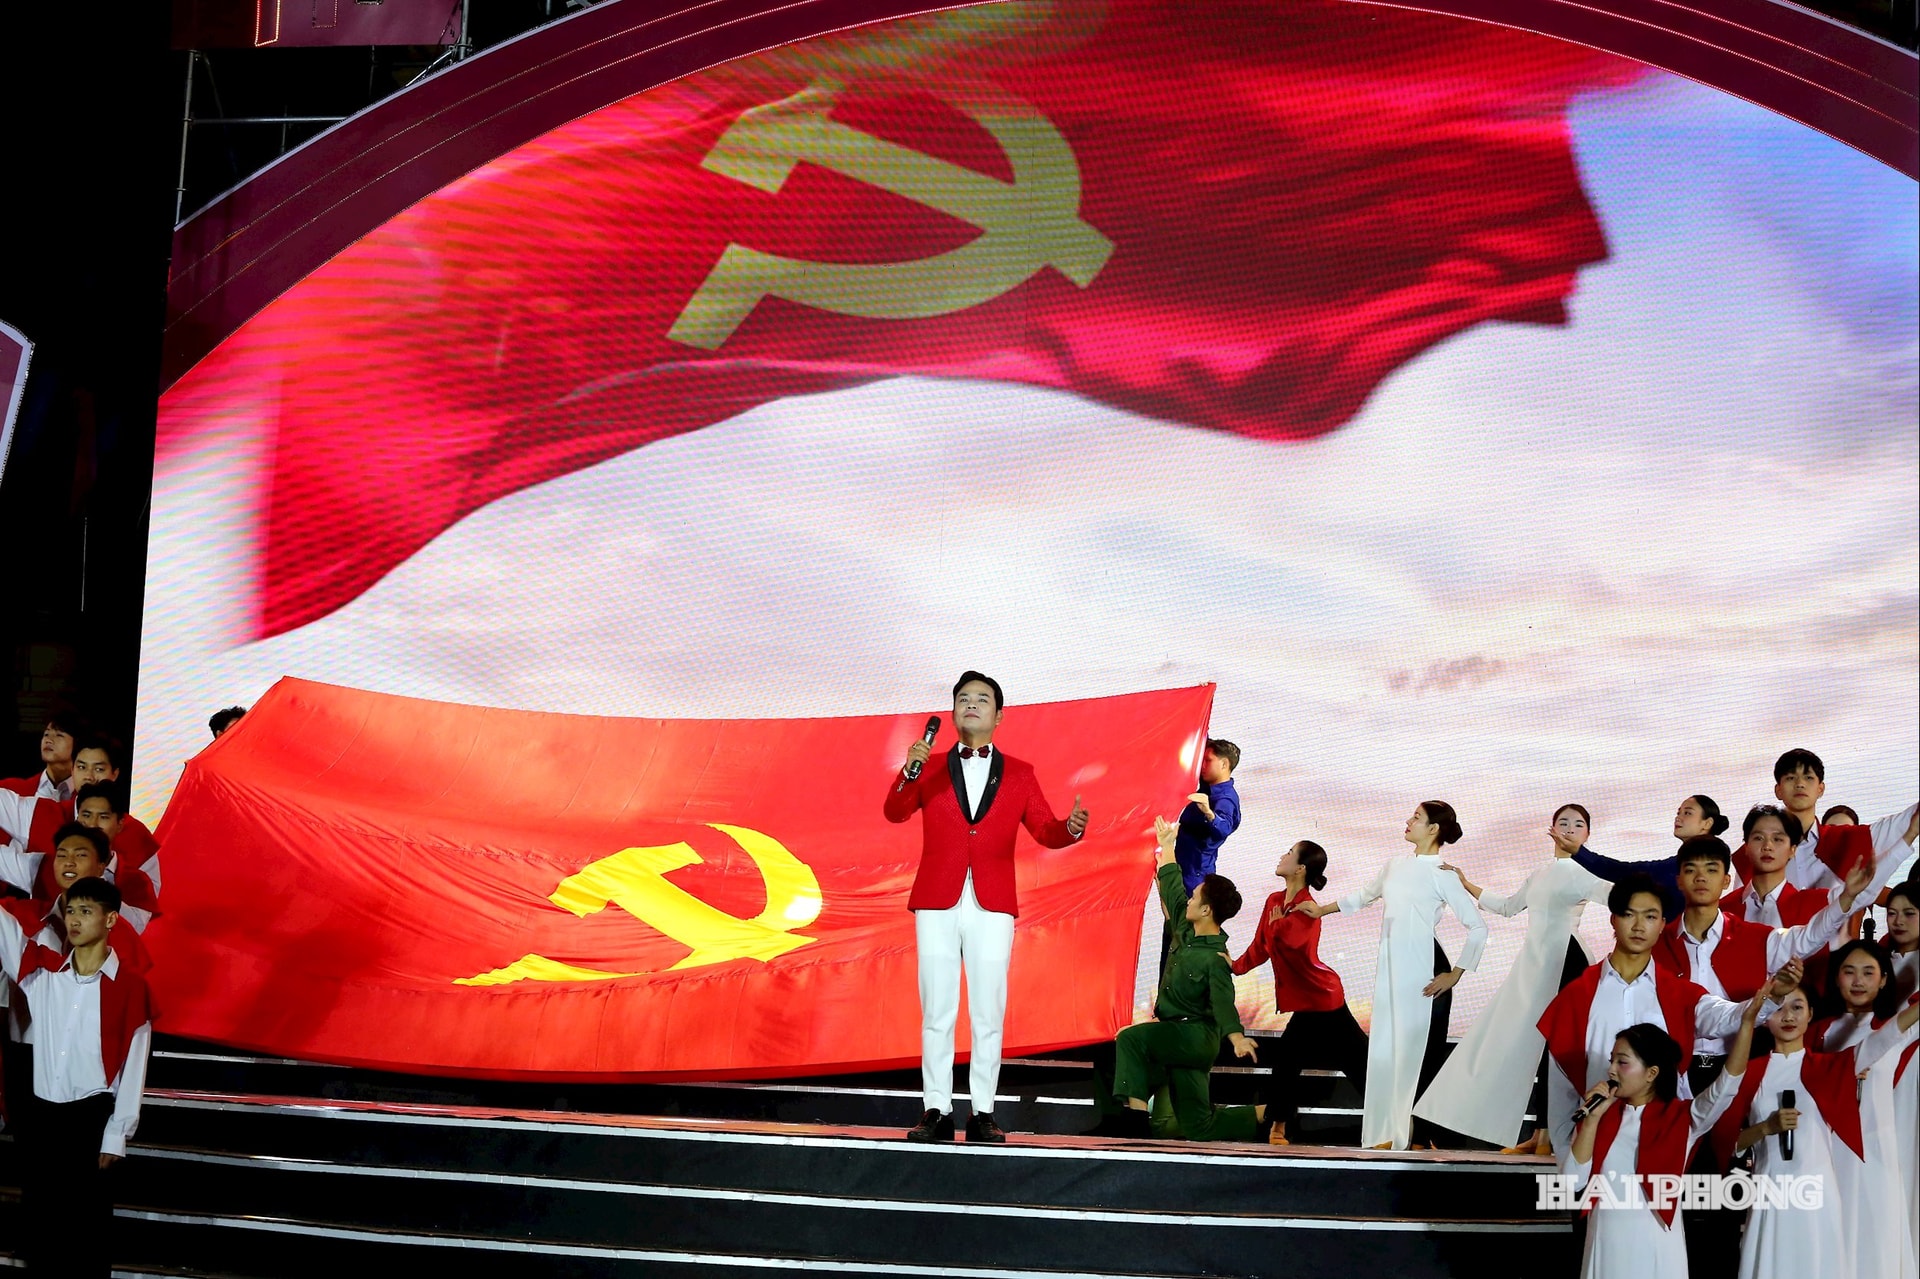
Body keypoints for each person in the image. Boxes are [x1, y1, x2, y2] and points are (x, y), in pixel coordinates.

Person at [1651, 835, 1869, 1279]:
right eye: (1691, 868)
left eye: (1712, 868)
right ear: (1678, 879)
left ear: (1727, 878)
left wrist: (1845, 899)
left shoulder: (1755, 937)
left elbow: (1808, 936)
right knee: (1670, 1191)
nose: (1701, 877)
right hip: (1675, 1076)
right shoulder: (1657, 942)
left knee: (1727, 1193)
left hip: (1734, 1072)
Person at [885, 672, 1087, 1144]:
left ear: (999, 715)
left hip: (992, 901)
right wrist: (909, 770)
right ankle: (935, 1109)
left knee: (988, 1010)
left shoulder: (1019, 773)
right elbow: (894, 812)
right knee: (936, 1008)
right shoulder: (928, 766)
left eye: (981, 699)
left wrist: (1072, 828)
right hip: (937, 898)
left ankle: (982, 1112)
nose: (970, 705)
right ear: (953, 712)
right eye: (963, 699)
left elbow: (1045, 829)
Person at [1537, 875, 1793, 1156]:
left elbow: (1728, 1017)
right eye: (1628, 915)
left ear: (1662, 925)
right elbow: (1561, 1086)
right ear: (1613, 920)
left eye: (1649, 916)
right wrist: (1568, 1159)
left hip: (1663, 1144)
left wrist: (1772, 997)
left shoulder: (1679, 994)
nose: (1638, 926)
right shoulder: (1577, 996)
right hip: (1597, 1145)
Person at [1417, 803, 1608, 1154]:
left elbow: (1620, 899)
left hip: (1567, 961)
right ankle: (1539, 1133)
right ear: (1551, 829)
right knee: (1522, 1044)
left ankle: (1548, 1135)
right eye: (1562, 822)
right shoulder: (1539, 873)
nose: (1569, 828)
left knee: (1556, 1049)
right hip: (1535, 963)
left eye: (1578, 825)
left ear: (1587, 835)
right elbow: (1508, 907)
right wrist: (1466, 883)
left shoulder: (1586, 873)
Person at [1296, 801, 1487, 1150]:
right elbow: (1365, 896)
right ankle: (1387, 1134)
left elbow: (1477, 928)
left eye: (1417, 817)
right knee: (1386, 1052)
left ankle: (1414, 1136)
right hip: (1392, 969)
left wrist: (1455, 975)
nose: (1408, 820)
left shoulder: (1442, 873)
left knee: (1418, 1057)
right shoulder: (1394, 866)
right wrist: (1322, 909)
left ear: (1433, 829)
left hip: (1426, 971)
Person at [0, 875, 154, 1278]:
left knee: (87, 1230)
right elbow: (5, 933)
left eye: (86, 911)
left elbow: (132, 1068)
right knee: (42, 1224)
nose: (74, 919)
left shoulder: (131, 990)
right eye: (70, 910)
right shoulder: (44, 978)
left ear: (111, 920)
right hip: (42, 1118)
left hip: (90, 1118)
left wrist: (117, 1132)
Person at [1714, 985, 1919, 1279]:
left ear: (1811, 1014)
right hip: (1770, 1193)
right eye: (1779, 1008)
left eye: (1797, 1007)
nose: (1788, 1016)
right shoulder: (1748, 1072)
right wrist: (1765, 1128)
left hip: (1818, 1196)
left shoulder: (1829, 1067)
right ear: (1765, 1017)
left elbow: (1883, 1039)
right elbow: (1728, 1143)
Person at [1562, 995, 1765, 1279]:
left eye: (1622, 1062)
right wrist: (1593, 1118)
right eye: (1611, 1061)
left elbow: (1727, 1085)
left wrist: (1746, 1025)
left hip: (1654, 1242)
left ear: (1651, 1073)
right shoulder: (1599, 1115)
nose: (1610, 1070)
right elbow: (1573, 1180)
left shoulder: (1683, 1118)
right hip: (1605, 1241)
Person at [1091, 816, 1259, 1141]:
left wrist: (1237, 1038)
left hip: (1195, 1038)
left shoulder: (1216, 958)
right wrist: (1167, 845)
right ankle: (1269, 1114)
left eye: (1196, 897)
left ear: (1207, 910)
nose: (1190, 899)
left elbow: (1224, 1005)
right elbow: (1170, 883)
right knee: (1198, 1126)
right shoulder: (1185, 928)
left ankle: (1135, 1122)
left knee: (1131, 1039)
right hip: (1178, 1038)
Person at [1228, 837, 1366, 1145]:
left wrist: (1278, 927)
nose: (1282, 855)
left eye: (1289, 853)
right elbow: (1262, 945)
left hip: (1324, 999)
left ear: (1301, 868)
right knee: (1292, 1061)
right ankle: (1279, 1127)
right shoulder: (1274, 900)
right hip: (1307, 1003)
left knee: (1358, 1064)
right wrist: (1235, 966)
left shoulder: (1308, 907)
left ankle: (1410, 1126)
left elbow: (1296, 948)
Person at [1812, 939, 1915, 1279]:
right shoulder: (1815, 1032)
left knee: (1876, 1235)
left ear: (1884, 979)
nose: (1858, 981)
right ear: (1835, 977)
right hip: (1825, 1152)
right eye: (1849, 971)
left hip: (1877, 1151)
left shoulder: (1897, 1029)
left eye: (1868, 972)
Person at [1573, 794, 1730, 920]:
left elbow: (1620, 871)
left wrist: (1577, 851)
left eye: (1687, 813)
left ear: (1707, 823)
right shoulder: (1676, 865)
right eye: (1679, 812)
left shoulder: (1674, 867)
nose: (1678, 818)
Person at [1160, 739, 1242, 978]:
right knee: (1174, 941)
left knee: (1183, 942)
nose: (1202, 765)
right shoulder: (1202, 787)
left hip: (1193, 880)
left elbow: (1223, 827)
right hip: (1181, 870)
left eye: (1208, 761)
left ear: (1224, 764)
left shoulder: (1225, 798)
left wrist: (1208, 812)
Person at [1, 713, 84, 805]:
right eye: (46, 734)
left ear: (77, 743)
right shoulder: (10, 790)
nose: (48, 740)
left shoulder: (87, 795)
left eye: (59, 735)